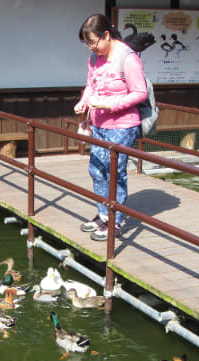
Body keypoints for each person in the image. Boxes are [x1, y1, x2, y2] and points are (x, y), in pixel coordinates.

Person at [74, 13, 147, 241]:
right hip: (99, 123)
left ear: (106, 34)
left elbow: (140, 92)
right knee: (96, 169)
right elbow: (91, 84)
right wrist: (84, 101)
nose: (92, 48)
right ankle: (103, 213)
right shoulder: (95, 58)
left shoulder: (128, 58)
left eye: (94, 42)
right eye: (88, 44)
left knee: (114, 171)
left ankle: (114, 219)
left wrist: (110, 104)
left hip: (122, 125)